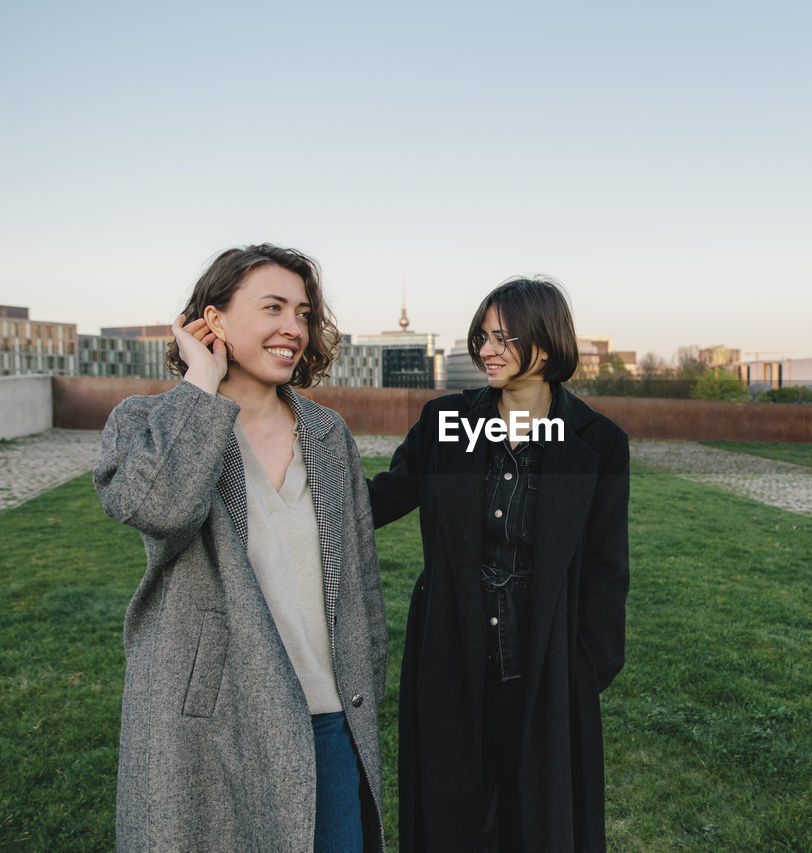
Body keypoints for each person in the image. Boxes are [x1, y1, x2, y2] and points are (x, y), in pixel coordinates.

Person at [94, 244, 389, 852]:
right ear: (215, 320)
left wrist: (366, 681)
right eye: (273, 307)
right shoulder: (148, 422)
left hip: (327, 713)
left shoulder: (327, 433)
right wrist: (202, 388)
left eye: (303, 313)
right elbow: (159, 510)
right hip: (211, 720)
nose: (293, 329)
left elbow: (359, 578)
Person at [368, 276, 630, 852]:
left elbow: (609, 569)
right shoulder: (445, 423)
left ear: (547, 341)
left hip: (545, 667)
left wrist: (587, 669)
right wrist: (293, 468)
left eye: (504, 338)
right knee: (451, 819)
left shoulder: (600, 442)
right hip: (450, 658)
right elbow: (380, 498)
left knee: (535, 821)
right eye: (483, 337)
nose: (486, 350)